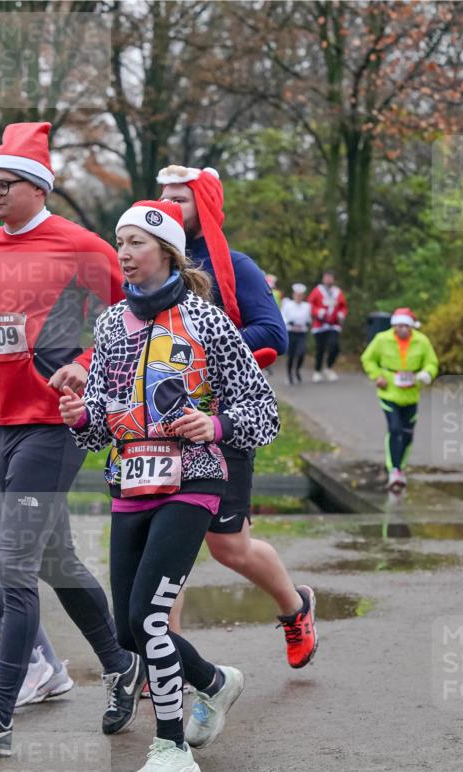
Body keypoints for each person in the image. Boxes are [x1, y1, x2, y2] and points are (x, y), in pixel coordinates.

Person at [59, 200, 279, 772]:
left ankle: (172, 746)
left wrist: (217, 426)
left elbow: (263, 410)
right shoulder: (110, 326)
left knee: (148, 618)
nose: (124, 254)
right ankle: (213, 681)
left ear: (167, 252)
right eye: (119, 242)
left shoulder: (207, 322)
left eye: (135, 242)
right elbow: (104, 427)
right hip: (131, 481)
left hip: (194, 481)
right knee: (129, 630)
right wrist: (82, 416)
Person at [0, 122, 143, 757]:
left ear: (38, 186)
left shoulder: (83, 249)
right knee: (51, 560)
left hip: (57, 423)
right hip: (5, 423)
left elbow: (126, 323)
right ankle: (123, 665)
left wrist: (87, 363)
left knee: (10, 562)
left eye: (3, 184)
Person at [157, 165, 317, 668]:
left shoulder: (236, 266)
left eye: (179, 200)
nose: (168, 208)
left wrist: (201, 350)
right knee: (163, 547)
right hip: (161, 424)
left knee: (228, 547)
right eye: (161, 199)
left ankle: (296, 608)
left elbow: (273, 334)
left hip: (226, 419)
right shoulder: (149, 263)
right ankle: (164, 658)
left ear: (202, 207)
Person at [0, 195, 73, 707]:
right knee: (53, 563)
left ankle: (34, 668)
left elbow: (38, 361)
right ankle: (69, 664)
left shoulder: (3, 294)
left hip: (3, 448)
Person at [360, 307, 439, 492]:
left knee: (407, 434)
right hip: (389, 391)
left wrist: (427, 374)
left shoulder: (422, 341)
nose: (402, 329)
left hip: (411, 393)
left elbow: (432, 362)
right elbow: (367, 359)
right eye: (399, 326)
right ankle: (394, 470)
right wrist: (377, 375)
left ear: (411, 327)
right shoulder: (382, 339)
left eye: (406, 326)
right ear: (394, 326)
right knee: (394, 429)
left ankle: (401, 467)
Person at [308, 270, 348, 382]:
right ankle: (317, 371)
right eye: (326, 277)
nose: (328, 279)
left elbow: (343, 307)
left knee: (335, 346)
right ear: (323, 279)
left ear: (334, 279)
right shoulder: (317, 290)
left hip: (334, 325)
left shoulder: (338, 292)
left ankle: (329, 367)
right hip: (320, 325)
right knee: (320, 349)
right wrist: (318, 312)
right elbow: (310, 304)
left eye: (330, 277)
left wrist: (341, 314)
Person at [281, 283, 312, 384]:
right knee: (291, 355)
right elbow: (282, 317)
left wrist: (307, 323)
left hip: (301, 334)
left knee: (301, 353)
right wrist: (289, 322)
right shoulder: (288, 304)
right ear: (293, 295)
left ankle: (297, 370)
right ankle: (289, 375)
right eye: (297, 294)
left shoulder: (307, 306)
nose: (299, 297)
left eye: (301, 295)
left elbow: (309, 319)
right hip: (290, 333)